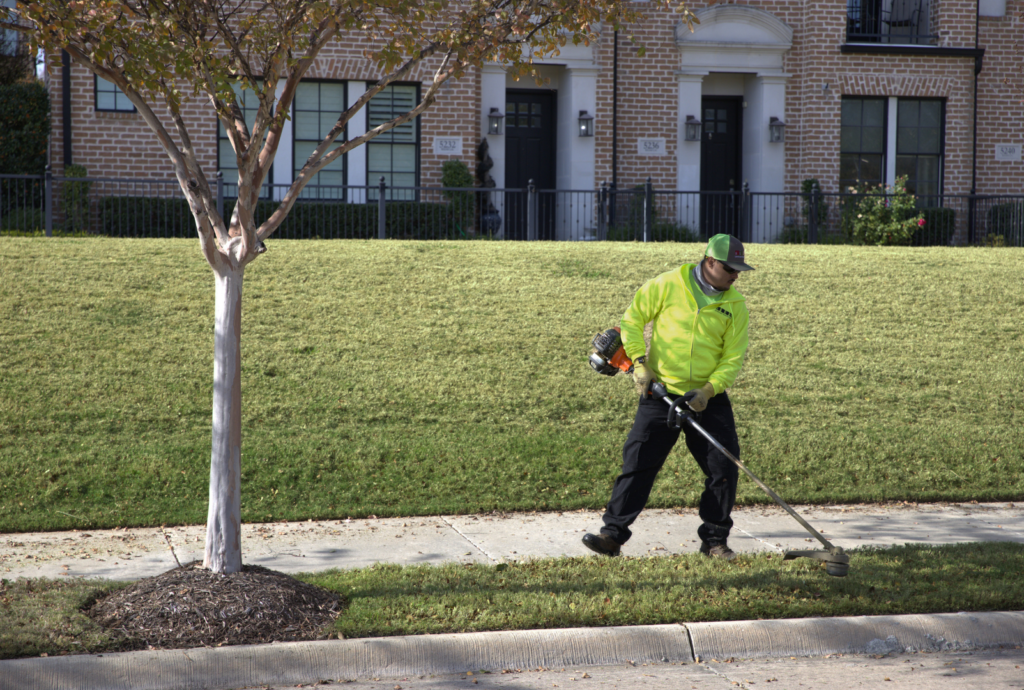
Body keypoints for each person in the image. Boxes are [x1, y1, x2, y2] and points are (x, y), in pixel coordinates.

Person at [583, 234, 754, 560]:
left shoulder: (735, 306)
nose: (736, 275)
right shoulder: (668, 284)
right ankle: (612, 536)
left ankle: (715, 541)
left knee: (723, 466)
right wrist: (639, 363)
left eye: (739, 270)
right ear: (711, 262)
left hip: (706, 398)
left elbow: (732, 359)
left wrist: (708, 390)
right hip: (659, 390)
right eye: (731, 268)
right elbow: (632, 319)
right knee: (638, 463)